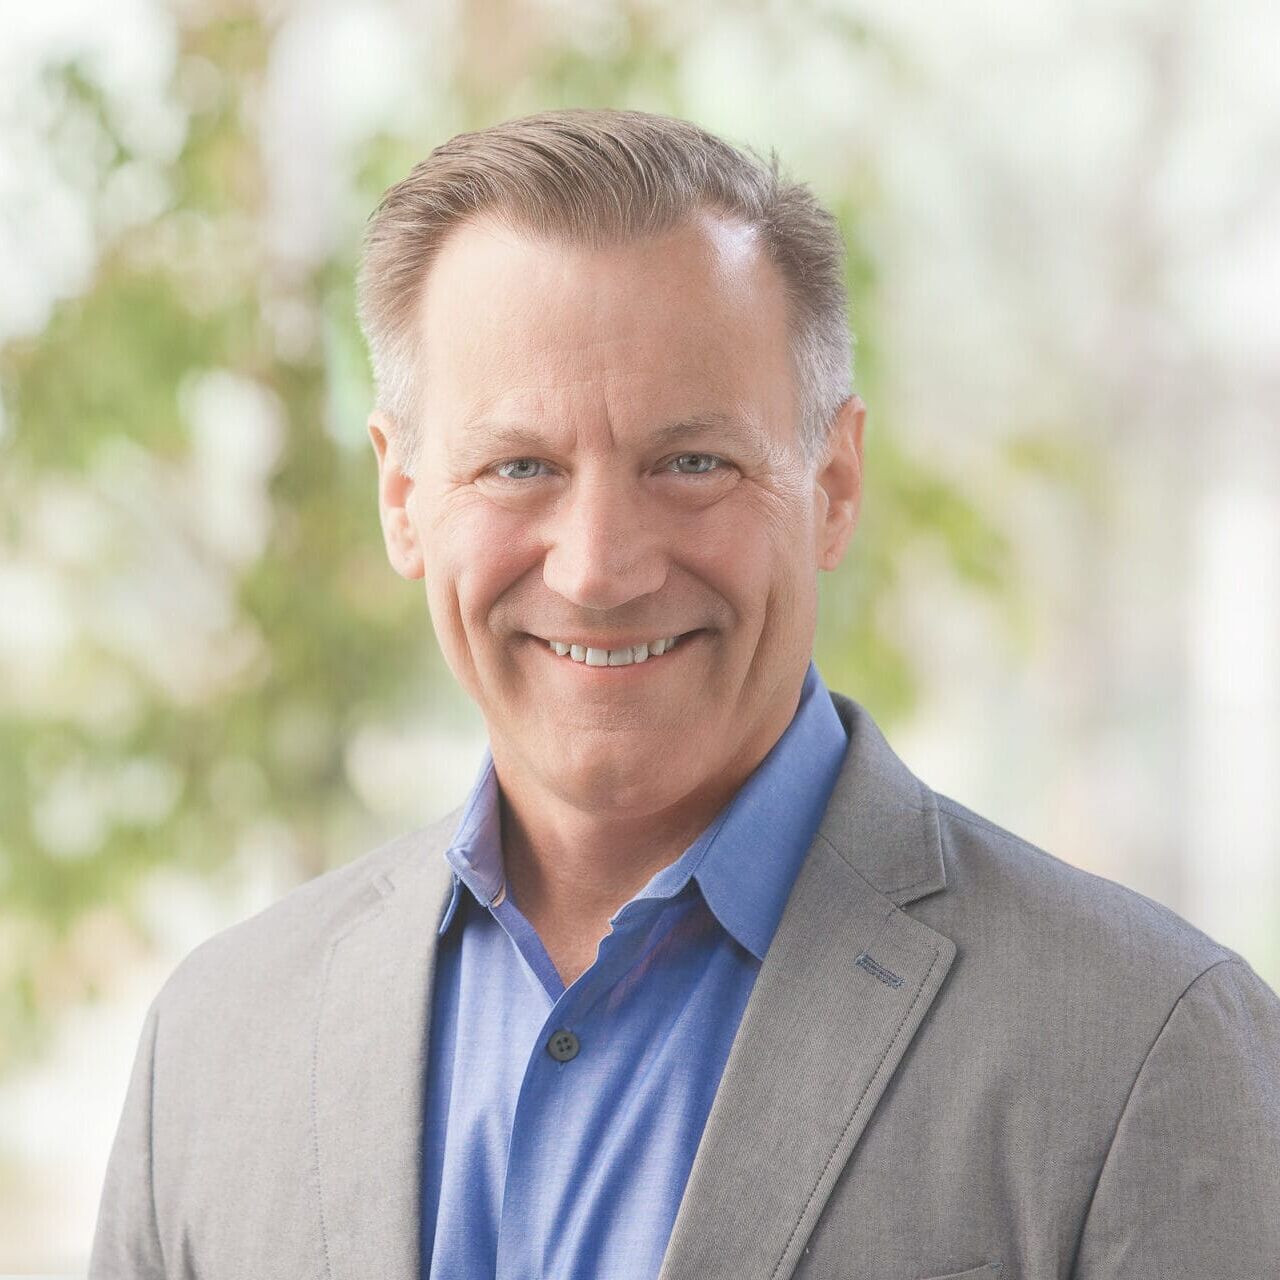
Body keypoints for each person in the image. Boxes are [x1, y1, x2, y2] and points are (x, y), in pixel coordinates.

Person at [89, 108, 1280, 1280]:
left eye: (692, 462)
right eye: (518, 466)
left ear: (833, 480)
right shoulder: (213, 1046)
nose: (599, 565)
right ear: (403, 498)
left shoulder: (1145, 1048)